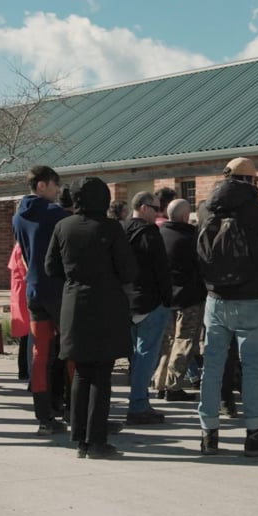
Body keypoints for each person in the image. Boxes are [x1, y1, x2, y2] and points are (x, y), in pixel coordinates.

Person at [195, 157, 258, 457]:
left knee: (212, 366)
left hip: (215, 298)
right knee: (252, 368)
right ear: (250, 181)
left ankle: (209, 433)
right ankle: (255, 432)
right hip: (250, 296)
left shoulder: (206, 207)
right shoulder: (254, 208)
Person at [44, 177, 138, 459]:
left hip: (74, 302)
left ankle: (80, 438)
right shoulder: (110, 228)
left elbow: (51, 267)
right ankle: (96, 440)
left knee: (82, 373)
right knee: (102, 375)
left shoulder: (63, 226)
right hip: (106, 303)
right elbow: (128, 270)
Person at [13, 166, 72, 436]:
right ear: (41, 185)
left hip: (34, 288)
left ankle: (44, 414)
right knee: (72, 349)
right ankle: (75, 407)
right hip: (59, 289)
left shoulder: (18, 217)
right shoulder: (56, 215)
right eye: (54, 185)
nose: (57, 190)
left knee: (40, 353)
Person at [122, 190, 174, 425]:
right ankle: (139, 404)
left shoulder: (121, 230)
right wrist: (167, 298)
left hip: (128, 302)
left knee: (136, 355)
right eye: (155, 209)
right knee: (146, 355)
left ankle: (139, 400)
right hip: (151, 301)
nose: (159, 213)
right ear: (143, 207)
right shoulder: (149, 233)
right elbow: (161, 269)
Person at [157, 198, 205, 403]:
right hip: (189, 297)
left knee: (166, 342)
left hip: (166, 297)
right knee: (184, 341)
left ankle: (159, 382)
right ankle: (173, 385)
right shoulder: (191, 237)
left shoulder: (159, 234)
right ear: (186, 216)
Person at [8, 242, 32, 385]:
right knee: (28, 332)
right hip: (24, 290)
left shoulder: (19, 246)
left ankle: (23, 370)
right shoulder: (22, 247)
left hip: (19, 290)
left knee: (25, 333)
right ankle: (24, 369)